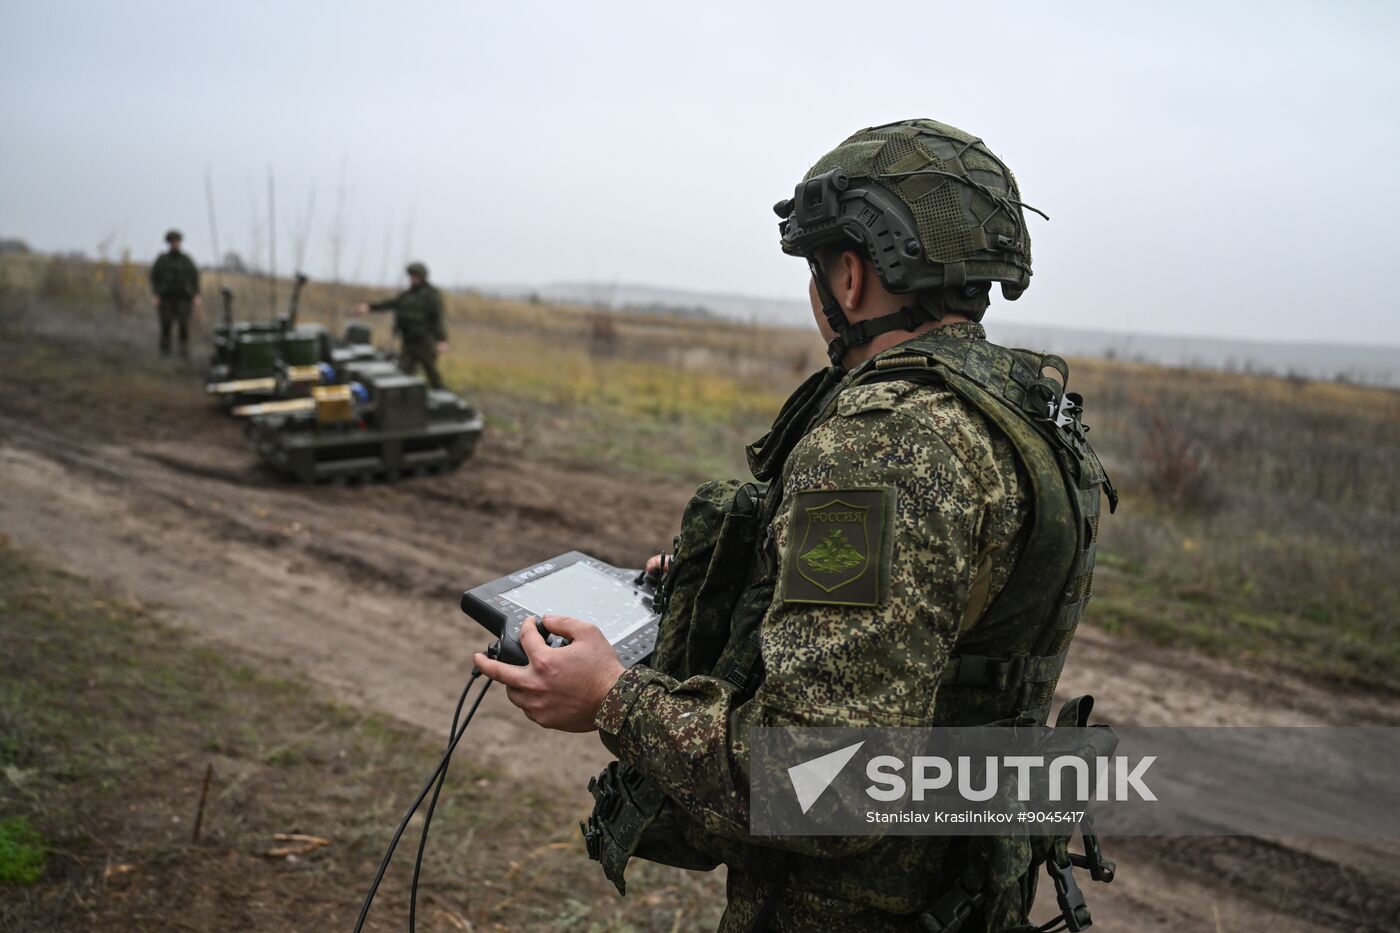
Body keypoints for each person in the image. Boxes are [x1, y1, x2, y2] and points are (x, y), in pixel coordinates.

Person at [473, 119, 1117, 932]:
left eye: (815, 269)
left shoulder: (884, 442)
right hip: (968, 891)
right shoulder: (1020, 415)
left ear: (849, 277)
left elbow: (826, 782)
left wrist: (611, 697)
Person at [354, 261, 448, 388]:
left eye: (416, 276)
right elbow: (390, 304)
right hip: (409, 341)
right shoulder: (407, 295)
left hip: (425, 341)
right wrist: (369, 307)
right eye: (411, 276)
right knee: (403, 373)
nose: (413, 279)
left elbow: (437, 318)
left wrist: (441, 340)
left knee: (432, 373)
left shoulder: (431, 295)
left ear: (422, 276)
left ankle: (444, 400)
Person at [148, 229, 200, 357]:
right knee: (166, 325)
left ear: (180, 242)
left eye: (177, 241)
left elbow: (195, 277)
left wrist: (196, 295)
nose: (175, 244)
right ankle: (165, 354)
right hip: (166, 299)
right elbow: (154, 278)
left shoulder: (186, 260)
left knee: (184, 326)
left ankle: (183, 353)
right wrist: (156, 295)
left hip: (183, 298)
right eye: (172, 242)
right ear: (168, 243)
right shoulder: (162, 260)